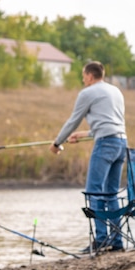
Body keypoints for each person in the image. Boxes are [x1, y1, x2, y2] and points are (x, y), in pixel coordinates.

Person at [50, 61, 127, 253]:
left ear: (90, 76)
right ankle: (117, 241)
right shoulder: (116, 91)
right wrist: (85, 134)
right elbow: (111, 123)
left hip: (106, 144)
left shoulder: (88, 93)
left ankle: (100, 239)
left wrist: (57, 142)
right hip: (121, 144)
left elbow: (73, 120)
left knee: (94, 192)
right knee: (111, 193)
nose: (83, 79)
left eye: (84, 76)